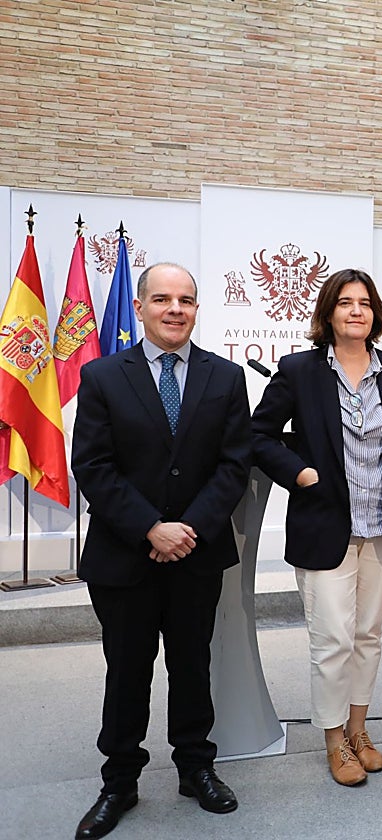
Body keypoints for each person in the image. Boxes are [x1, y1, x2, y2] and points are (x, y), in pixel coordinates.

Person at [72, 263, 251, 839]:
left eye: (186, 300)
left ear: (197, 309)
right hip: (124, 555)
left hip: (196, 554)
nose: (175, 309)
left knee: (192, 665)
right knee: (127, 671)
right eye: (162, 299)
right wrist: (151, 527)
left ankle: (196, 768)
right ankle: (119, 782)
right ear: (141, 306)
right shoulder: (102, 376)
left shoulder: (226, 377)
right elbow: (92, 466)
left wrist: (187, 529)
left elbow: (234, 465)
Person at [251, 269, 382, 786]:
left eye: (365, 303)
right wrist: (298, 473)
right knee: (332, 641)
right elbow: (258, 435)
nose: (356, 311)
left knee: (367, 636)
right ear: (328, 313)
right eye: (345, 302)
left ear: (375, 314)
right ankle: (333, 741)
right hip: (324, 524)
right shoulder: (299, 370)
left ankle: (358, 729)